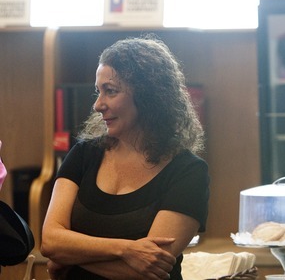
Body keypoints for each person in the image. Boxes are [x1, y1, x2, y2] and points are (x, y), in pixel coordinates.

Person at [41, 35, 210, 280]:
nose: (98, 105)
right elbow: (50, 241)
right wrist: (127, 249)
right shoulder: (84, 154)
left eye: (110, 91)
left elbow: (148, 271)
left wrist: (71, 259)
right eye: (98, 92)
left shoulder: (188, 171)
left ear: (148, 97)